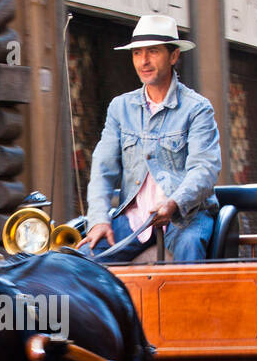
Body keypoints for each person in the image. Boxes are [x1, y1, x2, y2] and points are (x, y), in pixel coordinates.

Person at [83, 14, 221, 263]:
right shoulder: (120, 107)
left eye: (153, 52)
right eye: (137, 53)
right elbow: (102, 169)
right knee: (81, 261)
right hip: (133, 220)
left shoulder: (198, 108)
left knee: (190, 253)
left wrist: (174, 204)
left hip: (186, 218)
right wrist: (99, 219)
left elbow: (205, 168)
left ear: (174, 56)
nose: (143, 61)